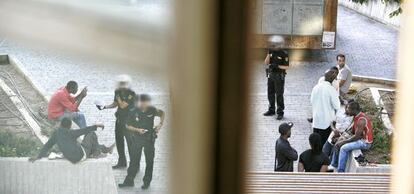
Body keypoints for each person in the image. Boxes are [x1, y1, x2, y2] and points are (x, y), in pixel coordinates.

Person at [119, 94, 165, 189]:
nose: (145, 105)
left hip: (149, 139)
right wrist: (137, 130)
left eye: (146, 103)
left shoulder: (152, 109)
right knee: (134, 161)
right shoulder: (133, 111)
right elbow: (127, 126)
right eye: (143, 103)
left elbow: (162, 113)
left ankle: (146, 182)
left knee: (149, 161)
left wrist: (160, 125)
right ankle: (129, 181)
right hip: (137, 138)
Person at [29, 117, 113, 164]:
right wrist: (96, 126)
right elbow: (84, 130)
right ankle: (97, 152)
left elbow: (48, 145)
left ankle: (105, 149)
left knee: (85, 144)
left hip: (72, 157)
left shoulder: (56, 134)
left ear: (61, 125)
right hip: (80, 156)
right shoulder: (71, 133)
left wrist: (38, 156)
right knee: (91, 134)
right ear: (69, 126)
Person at [99, 74, 136, 169]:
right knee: (119, 142)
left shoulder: (131, 93)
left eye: (123, 83)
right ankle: (122, 162)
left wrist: (119, 96)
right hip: (119, 120)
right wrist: (105, 107)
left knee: (130, 143)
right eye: (120, 83)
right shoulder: (117, 91)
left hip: (129, 121)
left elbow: (123, 105)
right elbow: (116, 104)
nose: (121, 85)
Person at [330, 101, 373, 172]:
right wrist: (341, 137)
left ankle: (340, 171)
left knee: (343, 148)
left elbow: (356, 136)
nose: (347, 110)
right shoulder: (356, 116)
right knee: (337, 143)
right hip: (360, 138)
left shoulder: (361, 120)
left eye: (348, 109)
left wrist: (343, 141)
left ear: (354, 110)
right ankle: (334, 165)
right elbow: (352, 131)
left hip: (365, 143)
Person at [310, 69, 341, 146]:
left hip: (316, 121)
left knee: (315, 144)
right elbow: (337, 106)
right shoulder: (331, 90)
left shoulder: (315, 87)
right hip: (326, 123)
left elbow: (311, 101)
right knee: (323, 145)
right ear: (331, 79)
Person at [263, 37, 289, 120]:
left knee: (279, 94)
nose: (274, 46)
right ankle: (271, 110)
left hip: (279, 76)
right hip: (271, 74)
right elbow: (266, 62)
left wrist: (277, 66)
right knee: (270, 92)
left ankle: (280, 112)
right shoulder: (271, 52)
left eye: (275, 44)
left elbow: (286, 66)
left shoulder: (284, 53)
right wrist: (268, 53)